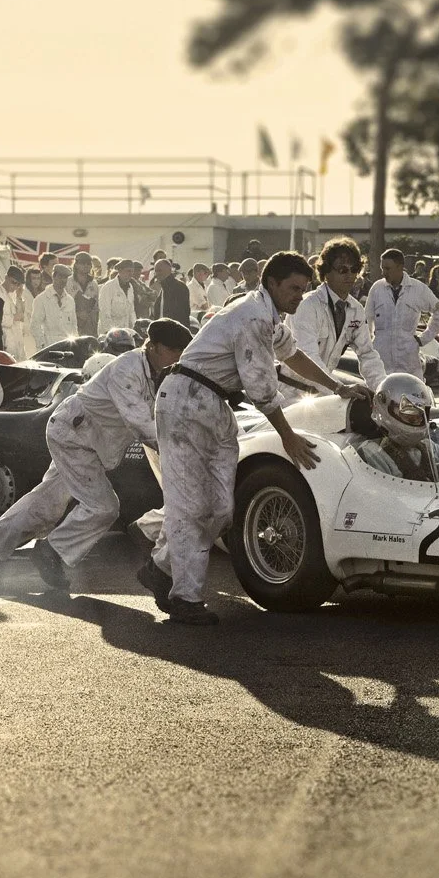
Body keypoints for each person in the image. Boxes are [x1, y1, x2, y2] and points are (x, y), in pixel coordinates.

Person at [138, 252, 370, 625]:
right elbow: (262, 389)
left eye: (304, 289)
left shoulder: (271, 318)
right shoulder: (252, 316)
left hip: (214, 406)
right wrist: (288, 437)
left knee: (221, 508)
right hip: (184, 404)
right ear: (272, 283)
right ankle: (184, 597)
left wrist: (336, 386)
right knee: (188, 506)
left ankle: (159, 567)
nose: (299, 296)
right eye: (294, 288)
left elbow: (293, 356)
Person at [0, 319, 194, 587]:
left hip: (87, 441)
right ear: (153, 347)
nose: (179, 355)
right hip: (75, 438)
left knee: (46, 503)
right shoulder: (128, 370)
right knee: (104, 507)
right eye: (174, 349)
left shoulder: (157, 371)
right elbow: (143, 424)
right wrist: (181, 451)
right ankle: (52, 551)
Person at [286, 236, 385, 399]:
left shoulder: (356, 309)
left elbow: (367, 354)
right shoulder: (306, 306)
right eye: (342, 269)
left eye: (354, 269)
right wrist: (340, 387)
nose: (349, 275)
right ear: (325, 272)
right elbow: (308, 356)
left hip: (324, 393)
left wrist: (382, 388)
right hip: (291, 392)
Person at [366, 248, 439, 380]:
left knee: (412, 397)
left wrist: (424, 338)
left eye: (388, 268)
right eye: (382, 268)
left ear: (400, 267)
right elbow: (366, 319)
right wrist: (369, 345)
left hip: (409, 361)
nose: (384, 273)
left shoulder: (417, 289)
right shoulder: (377, 289)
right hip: (382, 361)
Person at [355, 374, 439, 481]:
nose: (419, 419)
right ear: (387, 409)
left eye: (421, 414)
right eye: (410, 413)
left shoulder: (427, 446)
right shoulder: (372, 454)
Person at [32, 263, 79, 348]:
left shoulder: (70, 300)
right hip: (49, 346)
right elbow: (35, 324)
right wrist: (42, 344)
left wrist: (75, 345)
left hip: (67, 346)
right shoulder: (41, 299)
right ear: (53, 277)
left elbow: (73, 325)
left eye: (65, 277)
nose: (63, 280)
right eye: (60, 277)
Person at [0, 266, 36, 360]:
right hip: (6, 340)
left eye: (18, 284)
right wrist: (14, 318)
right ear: (6, 277)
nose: (15, 286)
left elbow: (21, 316)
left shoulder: (13, 295)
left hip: (17, 339)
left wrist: (19, 296)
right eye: (13, 282)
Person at [98, 259, 139, 332]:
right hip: (109, 332)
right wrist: (111, 332)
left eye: (132, 271)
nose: (131, 274)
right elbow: (104, 312)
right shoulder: (108, 287)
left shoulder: (130, 288)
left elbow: (131, 312)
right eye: (128, 271)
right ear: (120, 271)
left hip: (125, 332)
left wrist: (134, 329)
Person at [69, 252, 101, 337]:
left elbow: (97, 307)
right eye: (82, 263)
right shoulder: (68, 282)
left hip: (89, 326)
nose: (86, 266)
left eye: (88, 264)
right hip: (71, 324)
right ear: (76, 265)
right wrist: (78, 314)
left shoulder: (94, 284)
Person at [154, 259, 191, 323]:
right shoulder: (163, 288)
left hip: (173, 330)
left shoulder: (179, 287)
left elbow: (182, 314)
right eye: (156, 271)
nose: (157, 273)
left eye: (160, 270)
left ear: (169, 270)